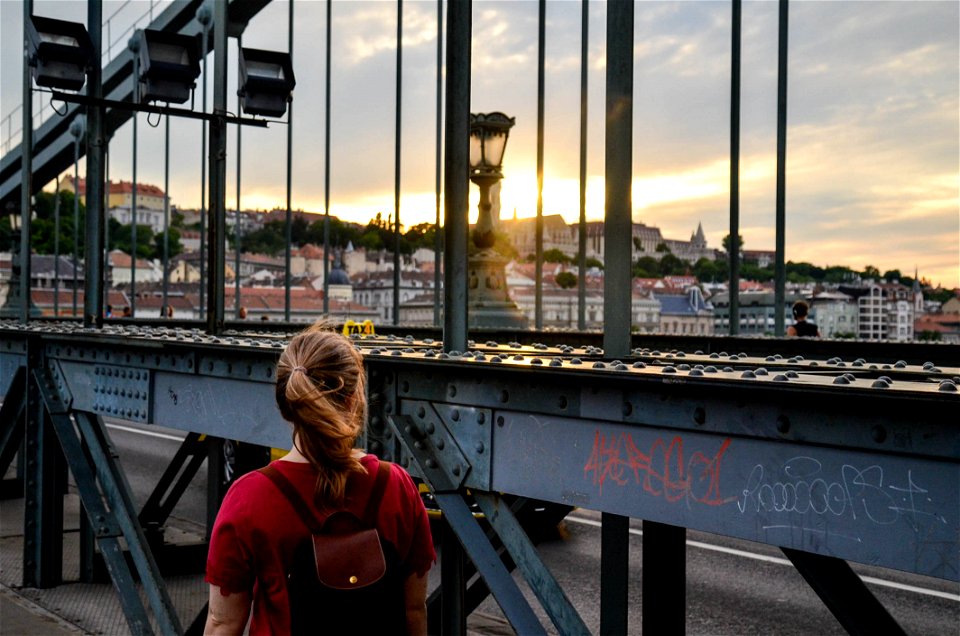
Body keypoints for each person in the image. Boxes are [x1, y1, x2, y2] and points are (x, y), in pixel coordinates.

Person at [204, 324, 435, 635]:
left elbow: (223, 624)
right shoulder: (397, 486)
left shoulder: (249, 498)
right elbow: (414, 611)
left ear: (286, 404)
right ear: (354, 399)